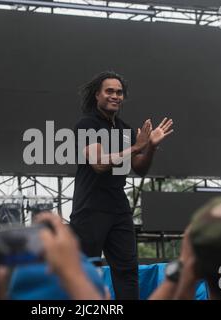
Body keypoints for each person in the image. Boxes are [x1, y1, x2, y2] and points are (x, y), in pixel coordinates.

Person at [71, 71, 173, 299]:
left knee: (127, 271)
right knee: (87, 271)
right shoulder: (86, 124)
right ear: (97, 95)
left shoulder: (124, 129)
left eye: (119, 92)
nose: (115, 96)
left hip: (118, 207)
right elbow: (99, 164)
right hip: (89, 208)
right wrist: (137, 147)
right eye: (109, 91)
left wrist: (151, 147)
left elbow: (139, 167)